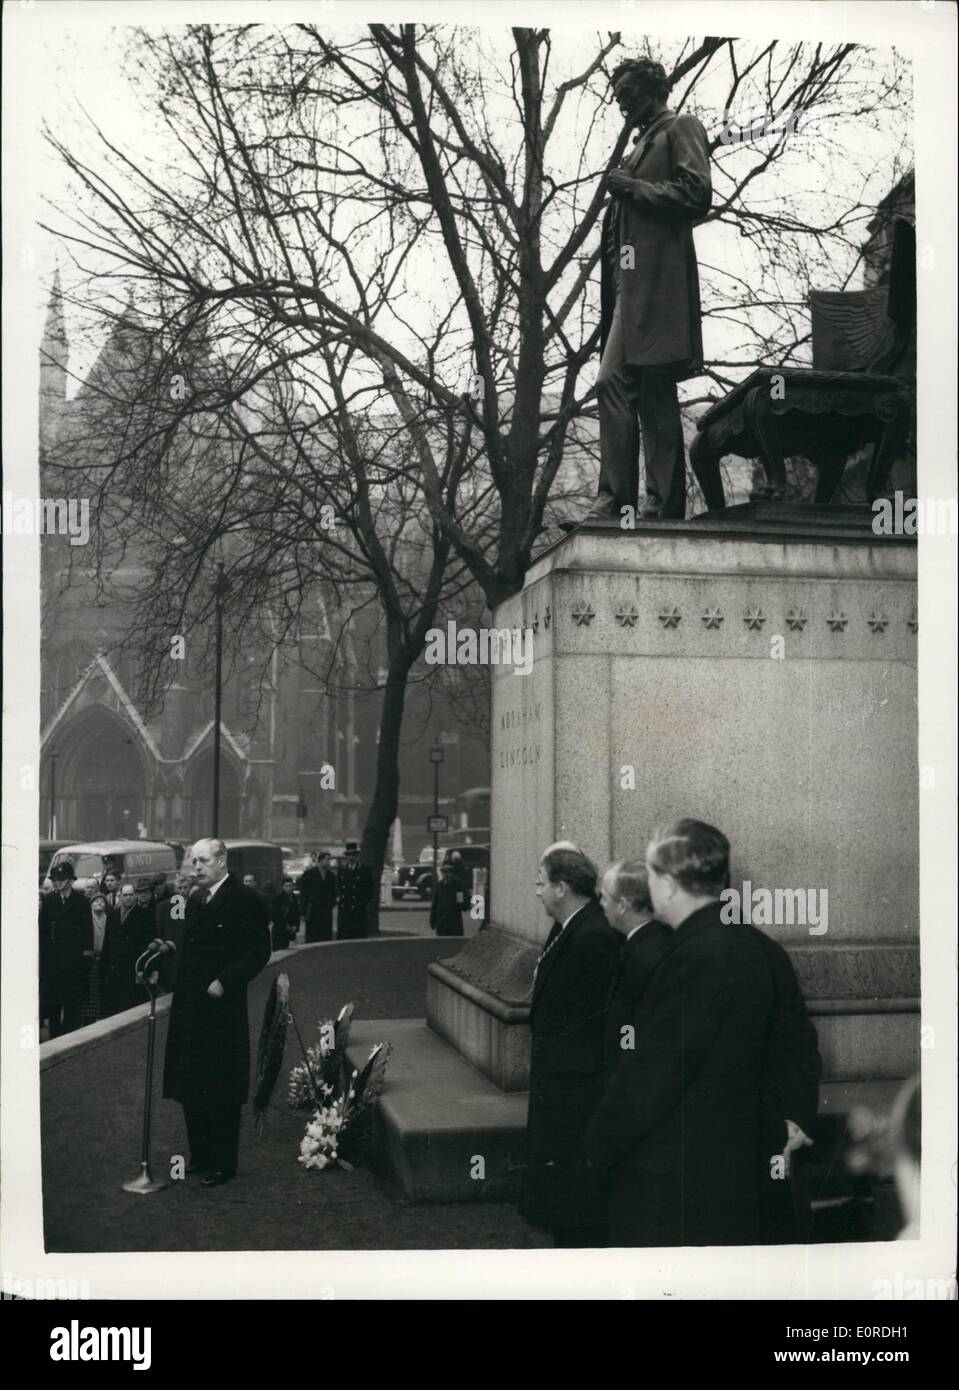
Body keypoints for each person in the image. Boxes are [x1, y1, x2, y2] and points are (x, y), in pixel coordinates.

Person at [586, 818, 818, 1247]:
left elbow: (651, 1077)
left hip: (676, 1189)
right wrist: (792, 1122)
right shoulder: (762, 949)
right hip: (745, 1178)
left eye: (652, 874)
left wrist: (599, 1146)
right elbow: (798, 1048)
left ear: (670, 885)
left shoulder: (687, 958)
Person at [577, 57, 711, 524]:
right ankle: (620, 501)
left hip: (660, 287)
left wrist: (632, 188)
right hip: (628, 294)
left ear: (652, 90)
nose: (621, 105)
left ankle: (655, 505)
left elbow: (697, 193)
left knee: (648, 390)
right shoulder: (641, 145)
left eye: (627, 96)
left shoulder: (681, 127)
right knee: (616, 383)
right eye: (618, 98)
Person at [519, 845, 620, 1248]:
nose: (536, 892)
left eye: (541, 883)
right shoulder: (570, 928)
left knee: (576, 1194)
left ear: (562, 888)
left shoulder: (593, 935)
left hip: (578, 1087)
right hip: (562, 1078)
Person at [162, 837, 271, 1186]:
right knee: (192, 1083)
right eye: (194, 862)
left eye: (203, 861)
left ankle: (224, 1163)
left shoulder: (245, 899)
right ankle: (200, 1155)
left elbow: (258, 951)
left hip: (221, 1010)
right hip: (191, 1008)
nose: (197, 868)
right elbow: (189, 954)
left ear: (222, 860)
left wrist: (226, 980)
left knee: (221, 1088)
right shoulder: (195, 899)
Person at [596, 860, 673, 1066]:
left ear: (622, 906)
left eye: (603, 897)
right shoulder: (657, 941)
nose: (601, 903)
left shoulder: (644, 956)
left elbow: (632, 1029)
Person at [39, 861, 93, 1038]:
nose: (58, 882)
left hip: (73, 963)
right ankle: (55, 1041)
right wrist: (43, 962)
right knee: (54, 1007)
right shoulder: (48, 901)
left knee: (72, 1007)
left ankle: (70, 1042)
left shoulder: (82, 902)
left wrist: (85, 961)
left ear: (71, 880)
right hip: (53, 963)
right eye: (55, 879)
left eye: (62, 879)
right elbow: (42, 932)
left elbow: (87, 933)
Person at [100, 877, 156, 1018]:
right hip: (115, 968)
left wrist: (144, 970)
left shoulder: (145, 915)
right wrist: (104, 967)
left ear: (135, 896)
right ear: (120, 896)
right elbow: (107, 941)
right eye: (125, 895)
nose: (128, 898)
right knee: (113, 1009)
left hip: (133, 967)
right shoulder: (112, 915)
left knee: (130, 1008)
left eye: (131, 895)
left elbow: (148, 944)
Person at [80, 893, 114, 1026]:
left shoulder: (109, 919)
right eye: (96, 901)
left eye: (102, 901)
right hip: (89, 957)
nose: (99, 903)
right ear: (91, 904)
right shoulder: (86, 919)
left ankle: (97, 1018)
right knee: (88, 990)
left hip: (103, 957)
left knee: (99, 991)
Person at [336, 842, 373, 940]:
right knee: (344, 936)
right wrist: (339, 898)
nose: (351, 858)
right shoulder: (342, 870)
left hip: (358, 908)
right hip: (345, 908)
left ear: (357, 856)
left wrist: (364, 902)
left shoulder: (364, 870)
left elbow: (369, 889)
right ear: (346, 857)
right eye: (349, 855)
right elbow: (339, 886)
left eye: (354, 855)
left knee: (358, 936)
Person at [301, 851, 336, 942]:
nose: (329, 862)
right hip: (313, 910)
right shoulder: (309, 874)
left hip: (326, 910)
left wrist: (330, 904)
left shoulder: (331, 876)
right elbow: (304, 894)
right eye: (327, 859)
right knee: (313, 935)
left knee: (325, 935)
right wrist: (303, 911)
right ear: (320, 860)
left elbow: (334, 892)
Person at [429, 860, 466, 936]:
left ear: (452, 873)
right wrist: (432, 921)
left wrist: (462, 905)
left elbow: (463, 899)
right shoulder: (439, 885)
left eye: (448, 872)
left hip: (454, 919)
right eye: (444, 872)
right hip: (442, 920)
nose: (446, 875)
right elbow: (435, 904)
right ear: (442, 873)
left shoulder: (458, 883)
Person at [271, 877, 300, 952]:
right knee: (279, 951)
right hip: (279, 932)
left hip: (291, 931)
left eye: (290, 886)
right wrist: (285, 925)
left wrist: (295, 925)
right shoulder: (278, 898)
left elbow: (297, 913)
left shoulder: (294, 898)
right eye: (286, 886)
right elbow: (275, 915)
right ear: (282, 887)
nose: (289, 888)